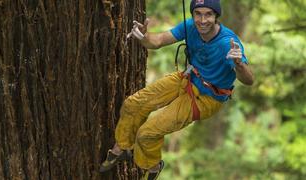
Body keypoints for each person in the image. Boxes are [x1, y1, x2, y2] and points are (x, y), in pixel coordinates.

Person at [100, 0, 254, 179]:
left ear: (216, 16)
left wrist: (239, 65)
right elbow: (158, 41)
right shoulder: (190, 27)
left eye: (208, 14)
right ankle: (123, 147)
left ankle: (153, 166)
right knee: (132, 105)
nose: (202, 20)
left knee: (147, 134)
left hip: (206, 98)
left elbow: (249, 80)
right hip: (188, 78)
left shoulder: (227, 43)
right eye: (198, 14)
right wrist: (144, 37)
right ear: (193, 15)